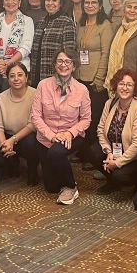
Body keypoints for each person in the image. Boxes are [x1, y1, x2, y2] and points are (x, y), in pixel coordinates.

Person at [30, 47, 91, 205]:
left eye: (68, 61)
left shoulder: (82, 90)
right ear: (54, 64)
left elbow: (86, 119)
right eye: (60, 61)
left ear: (74, 66)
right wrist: (51, 136)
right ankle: (60, 175)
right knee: (51, 187)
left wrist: (70, 133)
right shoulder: (43, 85)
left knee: (56, 153)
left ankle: (71, 186)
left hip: (71, 136)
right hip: (46, 138)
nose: (63, 65)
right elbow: (35, 116)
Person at [90, 68, 137, 193]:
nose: (125, 88)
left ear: (135, 88)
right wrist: (108, 152)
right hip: (114, 152)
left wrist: (117, 163)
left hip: (136, 158)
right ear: (116, 86)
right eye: (121, 84)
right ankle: (112, 182)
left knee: (120, 176)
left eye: (129, 85)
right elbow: (100, 129)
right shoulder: (109, 104)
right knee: (93, 151)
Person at [75, 0, 113, 148]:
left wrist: (99, 78)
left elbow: (106, 53)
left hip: (95, 80)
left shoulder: (105, 25)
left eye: (94, 3)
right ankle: (81, 150)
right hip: (80, 78)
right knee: (80, 116)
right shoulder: (81, 24)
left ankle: (92, 153)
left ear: (100, 6)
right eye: (87, 3)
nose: (90, 6)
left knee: (94, 117)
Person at [0, 62, 38, 181]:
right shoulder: (1, 97)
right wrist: (5, 145)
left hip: (27, 136)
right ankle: (12, 162)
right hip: (7, 137)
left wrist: (13, 140)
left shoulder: (36, 94)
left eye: (20, 75)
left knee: (31, 142)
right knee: (6, 168)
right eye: (12, 76)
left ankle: (32, 169)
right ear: (8, 80)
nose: (16, 79)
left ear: (26, 77)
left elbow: (32, 125)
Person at [31, 0, 77, 85]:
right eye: (48, 0)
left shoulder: (67, 22)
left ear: (61, 3)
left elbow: (69, 55)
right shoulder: (40, 22)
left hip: (56, 79)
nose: (50, 3)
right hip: (36, 77)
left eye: (54, 0)